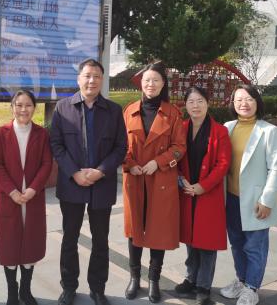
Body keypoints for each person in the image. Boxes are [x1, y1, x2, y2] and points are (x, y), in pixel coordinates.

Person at [50, 58, 127, 305]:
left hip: (101, 185)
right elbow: (56, 145)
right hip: (71, 184)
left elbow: (120, 147)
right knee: (69, 238)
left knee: (100, 240)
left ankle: (97, 288)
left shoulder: (113, 110)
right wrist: (74, 172)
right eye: (87, 75)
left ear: (102, 80)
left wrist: (101, 171)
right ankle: (69, 287)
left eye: (96, 76)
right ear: (78, 79)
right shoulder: (62, 108)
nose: (91, 80)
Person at [122, 61, 186, 303]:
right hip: (135, 178)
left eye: (156, 80)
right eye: (147, 80)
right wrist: (129, 164)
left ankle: (154, 280)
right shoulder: (129, 111)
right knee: (134, 229)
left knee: (157, 230)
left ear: (163, 84)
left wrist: (158, 162)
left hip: (161, 180)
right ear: (141, 82)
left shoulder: (173, 113)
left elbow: (179, 147)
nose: (150, 84)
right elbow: (119, 144)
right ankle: (134, 278)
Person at [220, 84, 277, 305]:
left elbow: (276, 169)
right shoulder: (227, 127)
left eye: (249, 99)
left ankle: (252, 287)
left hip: (256, 200)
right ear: (233, 103)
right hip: (231, 198)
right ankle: (241, 280)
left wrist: (267, 200)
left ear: (257, 102)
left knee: (255, 247)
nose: (244, 104)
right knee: (237, 244)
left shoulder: (269, 131)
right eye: (239, 100)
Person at [0, 90, 53, 305]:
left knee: (31, 245)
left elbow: (47, 163)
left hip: (33, 198)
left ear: (34, 108)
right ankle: (12, 292)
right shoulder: (1, 133)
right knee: (9, 246)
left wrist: (33, 189)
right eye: (18, 105)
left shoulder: (41, 134)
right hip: (9, 198)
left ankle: (25, 291)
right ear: (12, 107)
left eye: (28, 105)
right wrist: (13, 192)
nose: (23, 109)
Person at [174, 87, 232, 305]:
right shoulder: (181, 128)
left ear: (208, 103)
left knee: (207, 244)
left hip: (208, 194)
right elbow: (175, 158)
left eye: (200, 101)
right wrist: (181, 180)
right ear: (186, 105)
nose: (195, 106)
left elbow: (223, 164)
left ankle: (203, 286)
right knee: (191, 240)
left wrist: (202, 186)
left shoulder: (220, 131)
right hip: (187, 191)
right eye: (191, 101)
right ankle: (191, 278)